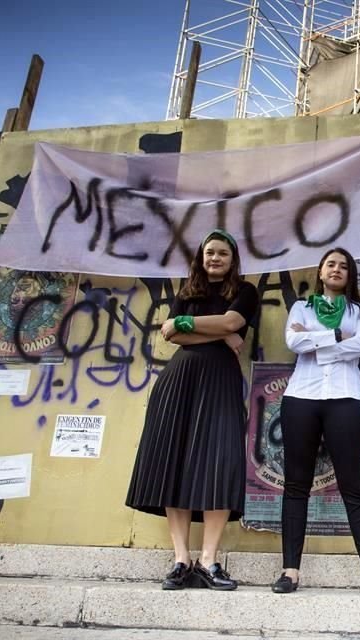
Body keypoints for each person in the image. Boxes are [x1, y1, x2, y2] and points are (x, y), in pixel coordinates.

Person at [126, 229, 260, 591]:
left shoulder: (245, 292)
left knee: (220, 462)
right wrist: (216, 332)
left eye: (222, 254)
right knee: (176, 463)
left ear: (233, 260)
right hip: (179, 380)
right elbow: (173, 336)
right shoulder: (188, 292)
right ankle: (181, 559)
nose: (215, 258)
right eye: (209, 253)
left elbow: (233, 323)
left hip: (220, 381)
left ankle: (209, 560)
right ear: (201, 257)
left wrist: (187, 323)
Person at [272, 247, 360, 596]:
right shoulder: (302, 307)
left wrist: (313, 341)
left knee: (353, 485)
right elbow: (292, 341)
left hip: (345, 399)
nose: (336, 269)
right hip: (301, 397)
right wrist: (335, 336)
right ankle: (290, 571)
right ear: (320, 271)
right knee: (296, 485)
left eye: (343, 265)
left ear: (350, 275)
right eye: (330, 264)